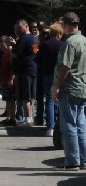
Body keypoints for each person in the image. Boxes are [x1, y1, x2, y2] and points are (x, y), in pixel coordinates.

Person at [51, 12, 86, 170]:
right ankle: (83, 159)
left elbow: (65, 66)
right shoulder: (84, 41)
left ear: (66, 25)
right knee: (80, 126)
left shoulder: (70, 43)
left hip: (70, 88)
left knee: (69, 126)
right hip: (82, 88)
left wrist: (56, 86)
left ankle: (73, 161)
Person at [36, 23, 63, 136]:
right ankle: (58, 124)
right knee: (59, 99)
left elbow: (37, 60)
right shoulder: (63, 45)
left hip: (47, 74)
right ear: (59, 33)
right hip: (59, 75)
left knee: (49, 100)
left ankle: (50, 126)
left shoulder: (44, 45)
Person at [11, 19, 37, 127]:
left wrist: (11, 48)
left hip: (24, 70)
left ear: (26, 27)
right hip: (33, 68)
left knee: (25, 96)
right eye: (16, 28)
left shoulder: (23, 39)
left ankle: (27, 120)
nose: (17, 30)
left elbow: (16, 54)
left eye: (19, 28)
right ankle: (30, 119)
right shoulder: (34, 39)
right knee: (30, 96)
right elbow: (36, 52)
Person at [0, 35, 17, 126]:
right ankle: (9, 117)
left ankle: (11, 118)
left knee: (11, 100)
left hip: (9, 80)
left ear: (6, 43)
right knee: (8, 100)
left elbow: (13, 67)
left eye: (2, 44)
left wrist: (11, 79)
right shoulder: (5, 53)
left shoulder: (10, 53)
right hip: (4, 79)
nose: (0, 46)